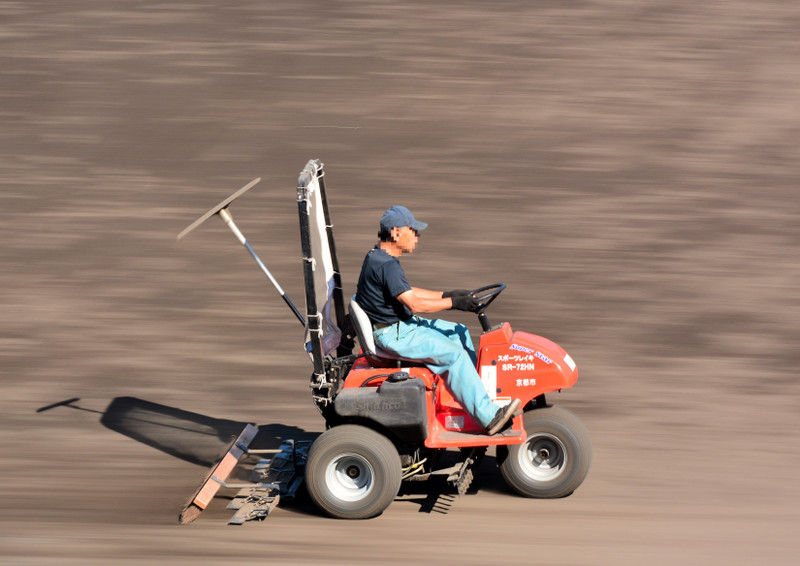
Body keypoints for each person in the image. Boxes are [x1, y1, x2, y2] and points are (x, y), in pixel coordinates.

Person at [354, 205, 521, 435]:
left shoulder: (378, 257)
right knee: (454, 354)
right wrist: (455, 303)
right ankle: (489, 417)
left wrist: (447, 294)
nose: (417, 236)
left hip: (399, 327)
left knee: (458, 331)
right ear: (395, 232)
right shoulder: (386, 265)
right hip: (394, 334)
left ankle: (475, 398)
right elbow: (414, 304)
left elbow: (407, 291)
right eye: (413, 231)